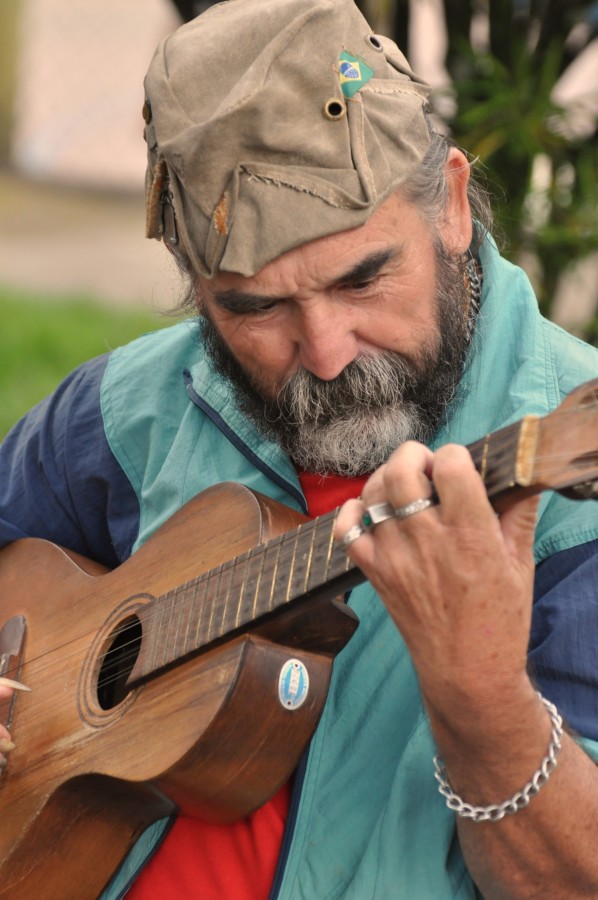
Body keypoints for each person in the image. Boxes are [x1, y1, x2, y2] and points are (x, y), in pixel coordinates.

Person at [1, 0, 598, 896]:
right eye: (253, 308)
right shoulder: (130, 409)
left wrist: (482, 700)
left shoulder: (563, 503)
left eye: (363, 277)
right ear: (198, 292)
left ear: (452, 206)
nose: (324, 352)